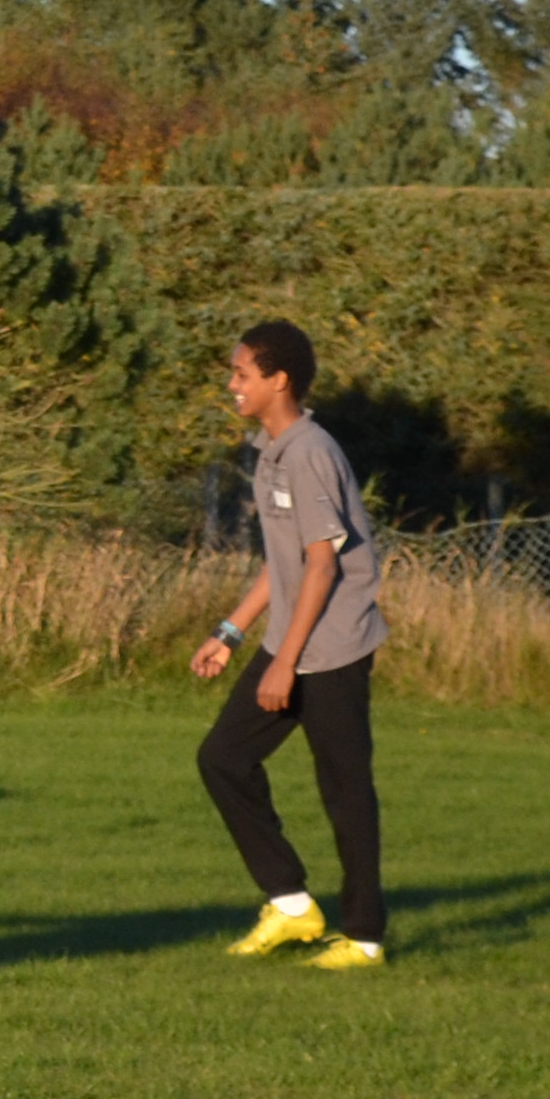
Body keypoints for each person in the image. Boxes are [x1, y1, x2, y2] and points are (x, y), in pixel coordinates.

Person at [190, 317, 383, 966]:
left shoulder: (309, 453)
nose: (232, 383)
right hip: (293, 638)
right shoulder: (272, 450)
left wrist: (286, 666)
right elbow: (285, 563)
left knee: (345, 790)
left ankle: (365, 938)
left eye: (242, 373)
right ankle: (294, 906)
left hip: (334, 647)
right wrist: (230, 632)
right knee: (223, 758)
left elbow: (323, 567)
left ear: (279, 380)